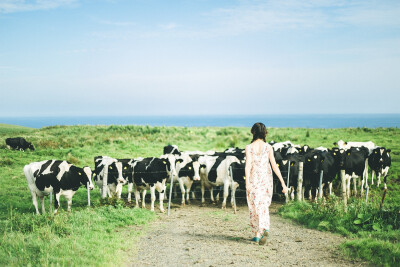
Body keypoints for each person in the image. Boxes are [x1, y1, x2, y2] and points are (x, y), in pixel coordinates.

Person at [245, 122, 288, 245]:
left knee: (254, 206)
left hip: (254, 178)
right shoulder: (268, 147)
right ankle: (262, 230)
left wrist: (247, 182)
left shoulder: (249, 147)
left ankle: (260, 232)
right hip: (266, 179)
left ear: (253, 132)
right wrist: (283, 183)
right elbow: (274, 166)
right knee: (263, 205)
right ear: (265, 133)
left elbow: (248, 165)